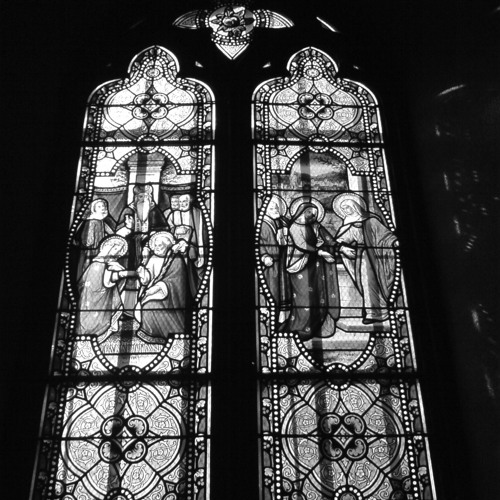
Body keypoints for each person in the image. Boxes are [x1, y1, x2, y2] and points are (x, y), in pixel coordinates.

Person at [333, 193, 398, 324]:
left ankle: (381, 311)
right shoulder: (350, 225)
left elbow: (386, 236)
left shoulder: (372, 220)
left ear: (355, 206)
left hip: (376, 256)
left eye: (348, 207)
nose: (346, 211)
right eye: (343, 209)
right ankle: (372, 313)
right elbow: (340, 240)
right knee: (367, 284)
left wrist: (393, 242)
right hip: (362, 258)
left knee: (375, 282)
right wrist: (342, 248)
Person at [283, 198, 340, 340]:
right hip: (299, 266)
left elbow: (328, 238)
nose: (314, 216)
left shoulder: (314, 225)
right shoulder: (294, 227)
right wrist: (321, 252)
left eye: (315, 214)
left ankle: (316, 327)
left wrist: (340, 247)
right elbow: (301, 244)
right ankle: (300, 326)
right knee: (304, 297)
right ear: (304, 212)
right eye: (311, 213)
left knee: (316, 296)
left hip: (314, 265)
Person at [134, 231, 190, 341]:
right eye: (155, 245)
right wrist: (143, 273)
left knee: (151, 306)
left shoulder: (176, 259)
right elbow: (147, 280)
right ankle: (151, 333)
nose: (156, 248)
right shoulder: (153, 258)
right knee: (147, 305)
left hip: (171, 297)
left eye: (159, 245)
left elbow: (176, 281)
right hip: (155, 292)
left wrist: (157, 288)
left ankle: (167, 333)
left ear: (167, 245)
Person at [76, 236, 136, 337]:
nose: (117, 252)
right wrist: (127, 273)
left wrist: (121, 272)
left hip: (104, 297)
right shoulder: (97, 265)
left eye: (120, 250)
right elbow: (104, 283)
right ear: (108, 248)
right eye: (116, 248)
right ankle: (90, 329)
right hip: (92, 300)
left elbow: (111, 280)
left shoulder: (111, 264)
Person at [166, 193, 207, 296]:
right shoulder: (173, 215)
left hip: (192, 250)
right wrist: (176, 231)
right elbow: (168, 231)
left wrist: (190, 244)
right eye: (180, 202)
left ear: (190, 202)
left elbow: (200, 233)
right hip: (177, 250)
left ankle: (192, 293)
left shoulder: (197, 214)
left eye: (185, 201)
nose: (182, 204)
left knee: (191, 274)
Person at [259, 195, 291, 323]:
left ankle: (279, 321)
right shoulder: (261, 224)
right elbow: (258, 243)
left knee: (280, 292)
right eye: (272, 208)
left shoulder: (278, 222)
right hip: (269, 265)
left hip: (280, 263)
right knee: (271, 292)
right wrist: (264, 256)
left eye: (277, 208)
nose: (275, 210)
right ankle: (270, 320)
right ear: (265, 210)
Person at [74, 198, 116, 280]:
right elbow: (88, 241)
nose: (102, 208)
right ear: (94, 209)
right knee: (87, 266)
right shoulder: (91, 221)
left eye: (103, 206)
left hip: (98, 248)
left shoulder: (102, 221)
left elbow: (111, 232)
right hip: (90, 250)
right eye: (99, 206)